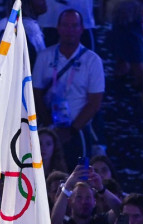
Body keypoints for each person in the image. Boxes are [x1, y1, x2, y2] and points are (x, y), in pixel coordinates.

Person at [32, 9, 105, 171]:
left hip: (78, 130)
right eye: (65, 25)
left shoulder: (92, 60)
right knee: (44, 174)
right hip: (48, 129)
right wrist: (49, 125)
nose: (69, 30)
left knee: (79, 176)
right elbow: (35, 93)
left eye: (74, 26)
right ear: (58, 28)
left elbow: (95, 103)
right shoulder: (45, 56)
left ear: (81, 29)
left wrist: (71, 130)